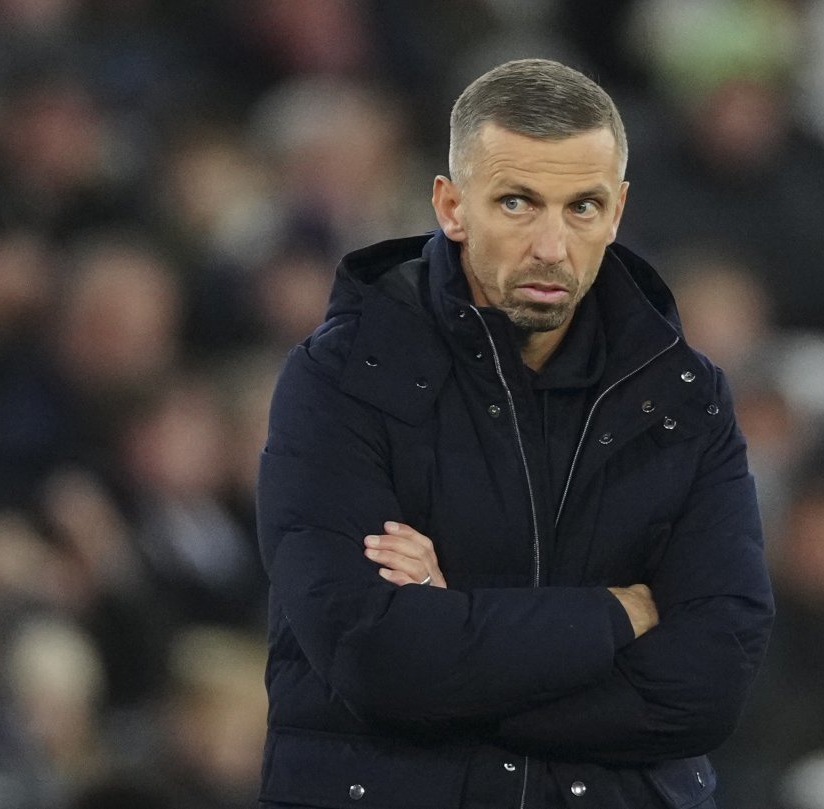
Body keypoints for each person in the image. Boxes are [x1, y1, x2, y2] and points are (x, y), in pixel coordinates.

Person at [256, 58, 774, 809]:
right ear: (451, 205)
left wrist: (454, 636)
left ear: (619, 210)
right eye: (518, 203)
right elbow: (376, 655)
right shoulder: (341, 378)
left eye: (582, 208)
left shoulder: (684, 398)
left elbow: (709, 683)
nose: (551, 247)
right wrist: (616, 613)